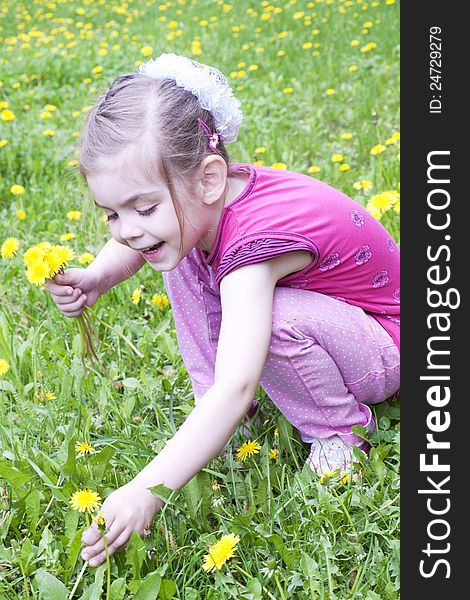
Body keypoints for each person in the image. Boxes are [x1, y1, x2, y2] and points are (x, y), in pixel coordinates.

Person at [46, 53, 400, 567]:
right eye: (112, 213)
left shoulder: (253, 247)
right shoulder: (203, 205)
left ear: (209, 178)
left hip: (390, 345)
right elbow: (140, 240)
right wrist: (98, 275)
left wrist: (150, 488)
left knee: (270, 319)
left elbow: (239, 382)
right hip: (344, 327)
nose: (126, 228)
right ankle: (213, 415)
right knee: (173, 251)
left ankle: (340, 436)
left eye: (143, 207)